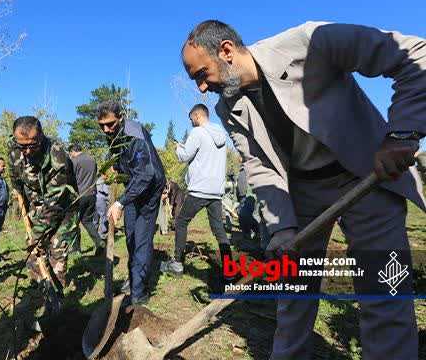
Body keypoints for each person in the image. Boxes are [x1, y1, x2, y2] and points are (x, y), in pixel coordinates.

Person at [181, 20, 426, 360]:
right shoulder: (229, 108)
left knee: (384, 292)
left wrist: (402, 133)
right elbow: (260, 166)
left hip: (368, 178)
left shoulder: (312, 42)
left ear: (226, 51)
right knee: (293, 296)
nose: (202, 89)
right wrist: (281, 228)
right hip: (303, 194)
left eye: (201, 74)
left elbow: (415, 56)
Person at [8, 116, 79, 316]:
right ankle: (38, 296)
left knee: (56, 255)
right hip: (36, 206)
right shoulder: (14, 148)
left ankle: (55, 304)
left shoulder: (58, 158)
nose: (28, 151)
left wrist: (36, 235)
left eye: (33, 145)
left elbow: (54, 205)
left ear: (41, 137)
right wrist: (18, 193)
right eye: (22, 146)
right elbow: (15, 174)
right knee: (34, 257)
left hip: (63, 211)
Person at [160, 104, 234, 292]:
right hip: (215, 191)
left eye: (191, 118)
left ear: (198, 116)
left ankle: (176, 263)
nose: (191, 122)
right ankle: (229, 271)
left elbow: (184, 157)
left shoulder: (198, 132)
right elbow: (204, 156)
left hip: (199, 189)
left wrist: (178, 148)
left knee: (181, 221)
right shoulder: (220, 134)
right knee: (219, 230)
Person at [99, 100, 166, 306]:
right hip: (132, 188)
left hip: (150, 188)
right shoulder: (113, 136)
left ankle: (139, 292)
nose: (106, 129)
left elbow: (146, 175)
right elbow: (123, 160)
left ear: (120, 118)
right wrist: (117, 168)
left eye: (110, 124)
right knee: (131, 237)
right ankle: (133, 278)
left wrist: (119, 203)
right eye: (101, 125)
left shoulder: (134, 135)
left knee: (142, 239)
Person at [68, 143, 105, 256]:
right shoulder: (92, 160)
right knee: (87, 221)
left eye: (70, 154)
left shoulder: (75, 161)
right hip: (92, 194)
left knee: (74, 222)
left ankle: (75, 249)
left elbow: (70, 177)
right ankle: (99, 243)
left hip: (80, 195)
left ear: (72, 152)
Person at [95, 176, 110, 240]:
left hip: (94, 197)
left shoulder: (97, 179)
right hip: (100, 199)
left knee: (96, 217)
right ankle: (102, 233)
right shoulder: (103, 181)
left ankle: (94, 233)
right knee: (102, 216)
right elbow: (106, 193)